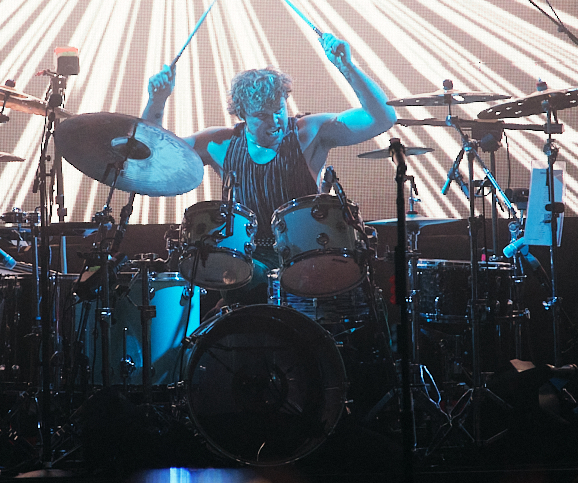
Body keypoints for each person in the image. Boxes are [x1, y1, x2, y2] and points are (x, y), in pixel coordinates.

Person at [142, 33, 396, 306]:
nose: (275, 121)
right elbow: (154, 153)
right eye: (262, 116)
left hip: (309, 262)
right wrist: (157, 101)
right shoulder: (220, 144)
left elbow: (381, 119)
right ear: (242, 114)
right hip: (246, 269)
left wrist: (347, 67)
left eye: (278, 110)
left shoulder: (308, 132)